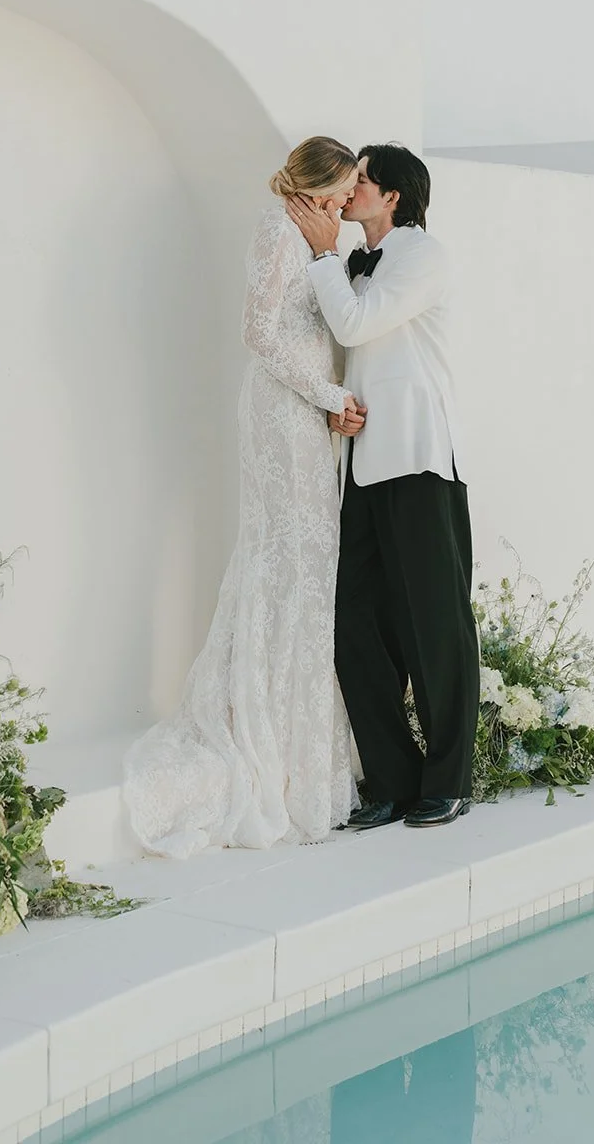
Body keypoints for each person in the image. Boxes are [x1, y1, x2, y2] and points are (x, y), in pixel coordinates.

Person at [123, 137, 364, 857]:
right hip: (278, 411)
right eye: (348, 185)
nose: (354, 198)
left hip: (306, 409)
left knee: (311, 565)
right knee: (287, 560)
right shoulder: (274, 228)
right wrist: (326, 392)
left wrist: (331, 397)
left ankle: (306, 750)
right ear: (323, 184)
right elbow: (258, 331)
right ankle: (263, 739)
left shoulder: (322, 233)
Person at [287, 143, 478, 830]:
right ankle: (391, 780)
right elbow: (355, 349)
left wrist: (319, 257)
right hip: (364, 463)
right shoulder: (357, 266)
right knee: (355, 624)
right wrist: (335, 401)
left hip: (420, 462)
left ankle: (449, 778)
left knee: (435, 628)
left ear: (393, 196)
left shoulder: (422, 256)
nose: (349, 190)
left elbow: (356, 323)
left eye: (361, 180)